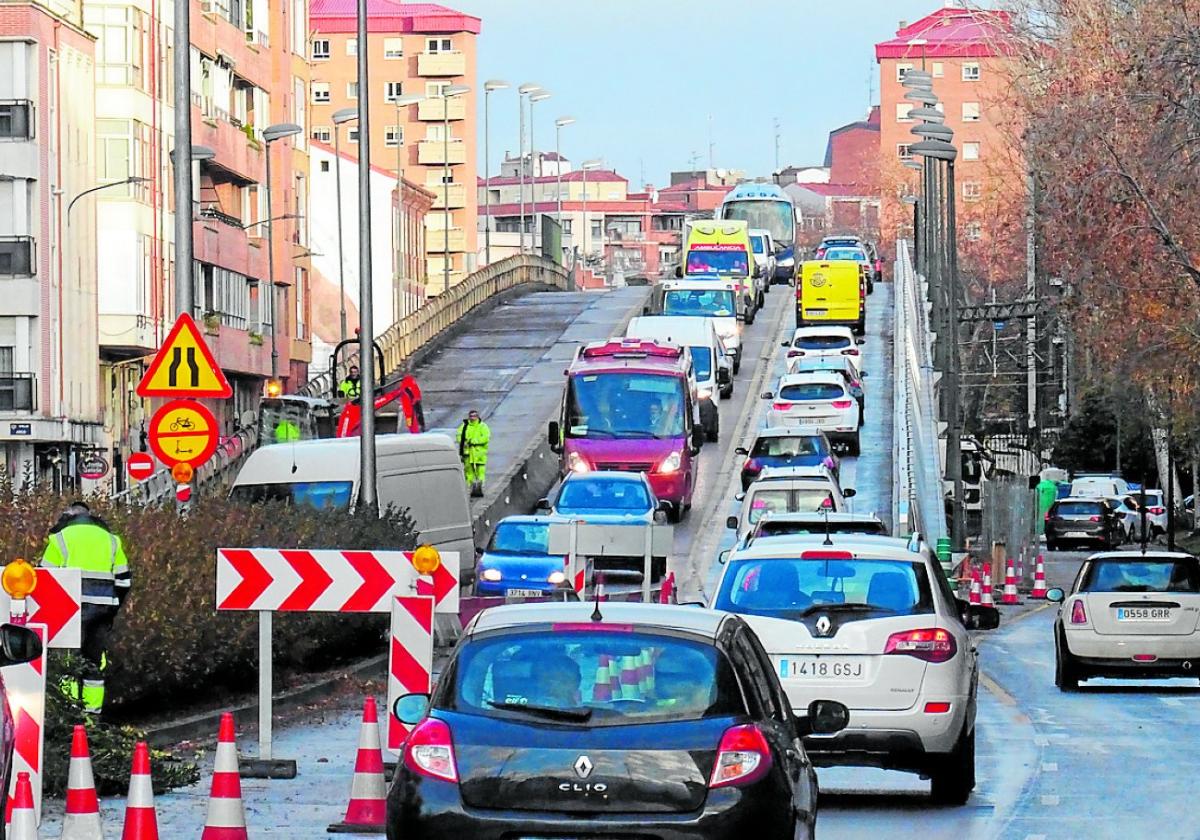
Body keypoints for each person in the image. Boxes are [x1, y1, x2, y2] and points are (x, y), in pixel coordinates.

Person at [41, 502, 131, 715]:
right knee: (94, 662)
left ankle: (69, 713)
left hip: (69, 610)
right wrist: (112, 606)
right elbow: (124, 581)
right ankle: (92, 719)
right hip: (103, 609)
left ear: (69, 518)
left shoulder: (60, 538)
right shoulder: (111, 540)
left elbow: (45, 578)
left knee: (68, 662)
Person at [457, 410, 491, 498]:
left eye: (474, 416)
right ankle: (469, 488)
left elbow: (485, 438)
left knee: (481, 471)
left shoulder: (483, 426)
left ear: (477, 417)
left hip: (479, 454)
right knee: (469, 472)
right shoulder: (464, 426)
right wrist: (463, 441)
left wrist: (474, 441)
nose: (472, 418)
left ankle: (480, 487)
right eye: (471, 416)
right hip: (468, 453)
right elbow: (459, 436)